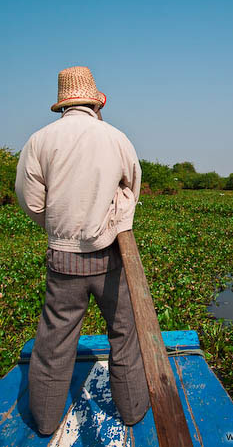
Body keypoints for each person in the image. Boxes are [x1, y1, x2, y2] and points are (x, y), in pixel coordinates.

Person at [15, 65, 150, 436]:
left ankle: (43, 421)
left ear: (62, 105)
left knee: (55, 340)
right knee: (124, 333)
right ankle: (134, 411)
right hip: (111, 258)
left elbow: (29, 199)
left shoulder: (39, 140)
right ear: (94, 101)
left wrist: (58, 227)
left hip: (62, 259)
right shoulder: (116, 137)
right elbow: (133, 186)